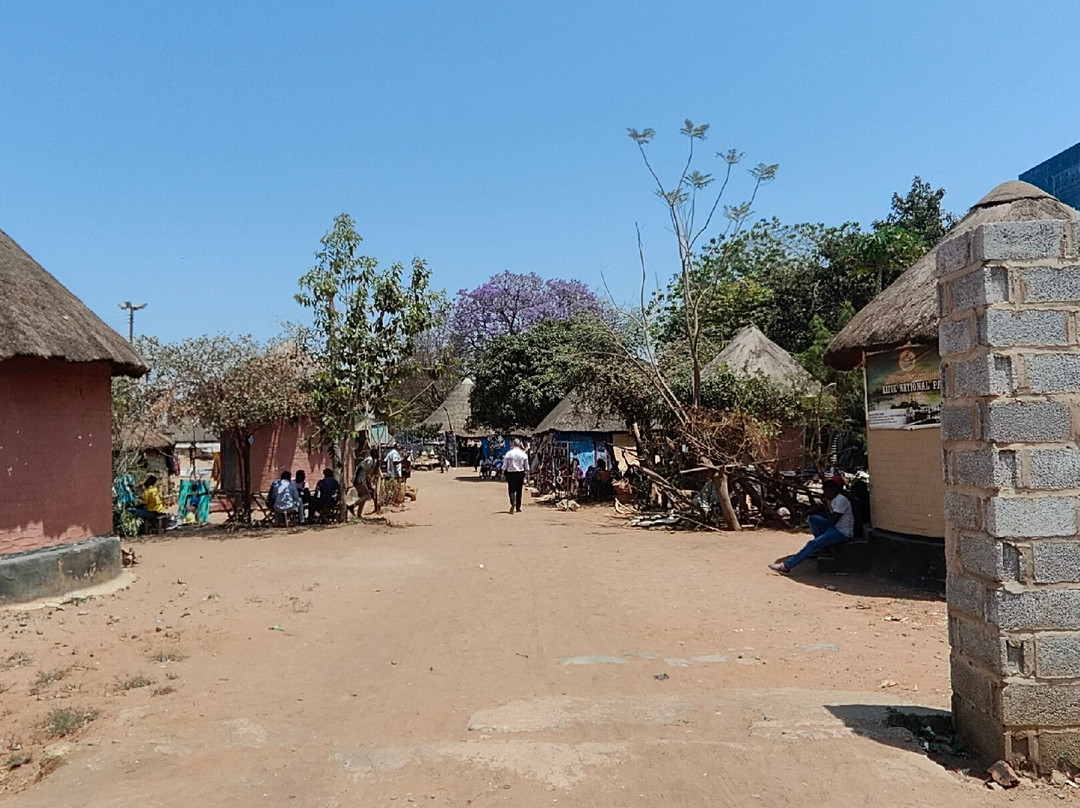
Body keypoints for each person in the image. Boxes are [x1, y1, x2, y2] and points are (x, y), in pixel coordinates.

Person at [769, 477, 854, 573]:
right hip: (835, 527)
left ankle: (786, 566)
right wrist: (809, 512)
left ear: (833, 490)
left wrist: (826, 505)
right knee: (813, 518)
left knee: (812, 544)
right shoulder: (832, 499)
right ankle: (823, 545)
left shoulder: (841, 500)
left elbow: (832, 521)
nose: (824, 493)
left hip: (842, 532)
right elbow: (821, 509)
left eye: (826, 491)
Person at [502, 438, 529, 514]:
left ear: (513, 444)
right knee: (519, 490)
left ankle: (513, 502)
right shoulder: (523, 454)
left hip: (510, 473)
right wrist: (527, 474)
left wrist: (502, 473)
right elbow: (526, 466)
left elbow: (505, 465)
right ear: (520, 444)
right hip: (520, 473)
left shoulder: (509, 453)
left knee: (511, 489)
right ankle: (518, 507)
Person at [352, 447, 380, 516]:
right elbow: (360, 468)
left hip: (363, 479)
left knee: (363, 497)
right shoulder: (369, 460)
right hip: (360, 480)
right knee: (367, 495)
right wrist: (355, 480)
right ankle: (353, 506)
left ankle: (359, 514)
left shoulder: (373, 461)